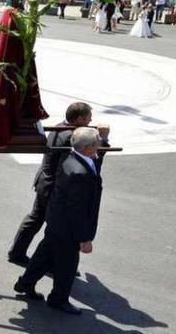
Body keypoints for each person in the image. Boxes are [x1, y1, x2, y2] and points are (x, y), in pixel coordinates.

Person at [14, 127, 105, 315]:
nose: (100, 145)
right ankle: (58, 299)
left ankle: (26, 283)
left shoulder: (72, 159)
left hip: (56, 220)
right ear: (88, 148)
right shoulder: (80, 173)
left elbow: (94, 165)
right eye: (98, 142)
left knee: (44, 255)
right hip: (68, 229)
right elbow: (77, 211)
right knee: (67, 265)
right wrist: (84, 239)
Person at [8, 102, 109, 265]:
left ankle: (18, 253)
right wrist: (103, 140)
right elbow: (89, 159)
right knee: (57, 228)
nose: (91, 120)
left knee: (36, 219)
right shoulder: (73, 137)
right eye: (89, 117)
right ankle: (51, 264)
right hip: (57, 187)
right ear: (81, 118)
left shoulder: (59, 128)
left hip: (45, 181)